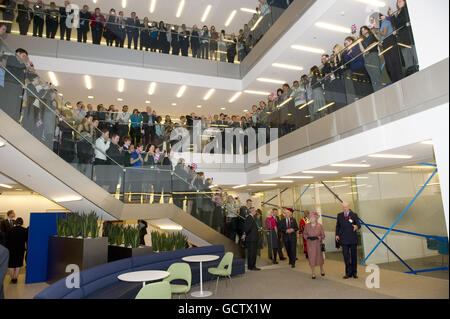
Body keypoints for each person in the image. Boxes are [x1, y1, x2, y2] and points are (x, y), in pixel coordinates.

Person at [389, 0, 417, 75]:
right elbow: (396, 24)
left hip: (409, 36)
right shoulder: (399, 13)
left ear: (405, 2)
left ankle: (416, 70)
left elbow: (400, 21)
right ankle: (411, 73)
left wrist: (393, 16)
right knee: (407, 58)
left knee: (414, 55)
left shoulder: (406, 9)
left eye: (400, 1)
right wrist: (392, 16)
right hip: (403, 39)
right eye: (398, 2)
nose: (399, 2)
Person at [374, 13, 403, 83]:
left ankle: (400, 79)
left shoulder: (385, 22)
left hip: (390, 41)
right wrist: (375, 33)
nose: (374, 22)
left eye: (375, 20)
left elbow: (384, 33)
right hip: (385, 44)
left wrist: (377, 31)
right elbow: (380, 39)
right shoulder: (379, 28)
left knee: (395, 61)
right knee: (389, 64)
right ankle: (394, 80)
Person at [335, 202, 361, 279]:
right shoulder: (339, 215)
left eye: (346, 207)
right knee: (346, 256)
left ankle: (354, 272)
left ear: (349, 207)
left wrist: (356, 227)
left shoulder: (354, 215)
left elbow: (359, 225)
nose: (344, 208)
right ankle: (348, 273)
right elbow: (337, 226)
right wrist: (337, 235)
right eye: (343, 207)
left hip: (353, 239)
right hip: (343, 239)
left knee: (353, 256)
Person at [360, 26, 384, 92]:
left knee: (377, 74)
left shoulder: (372, 36)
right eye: (362, 31)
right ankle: (376, 91)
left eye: (364, 30)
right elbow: (363, 51)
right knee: (372, 77)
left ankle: (381, 90)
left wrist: (375, 34)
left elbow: (380, 42)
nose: (363, 32)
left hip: (373, 55)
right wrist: (359, 42)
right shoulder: (362, 40)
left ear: (368, 30)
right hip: (367, 58)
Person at [303, 211, 325, 279]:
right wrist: (307, 237)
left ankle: (322, 269)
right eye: (310, 218)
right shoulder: (307, 226)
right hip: (310, 245)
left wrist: (319, 237)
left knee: (319, 258)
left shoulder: (320, 226)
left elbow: (323, 235)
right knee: (312, 259)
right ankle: (313, 272)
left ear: (316, 218)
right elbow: (304, 234)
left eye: (313, 217)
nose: (311, 219)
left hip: (318, 244)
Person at [6, 218, 28, 284]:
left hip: (11, 249)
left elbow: (7, 241)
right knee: (18, 264)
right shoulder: (24, 230)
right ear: (22, 222)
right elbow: (26, 240)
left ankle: (12, 278)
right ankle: (15, 278)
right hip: (20, 250)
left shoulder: (10, 230)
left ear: (15, 222)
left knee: (11, 264)